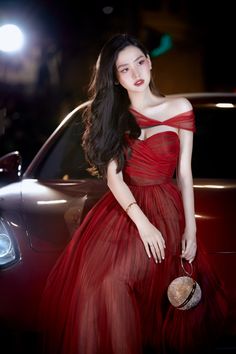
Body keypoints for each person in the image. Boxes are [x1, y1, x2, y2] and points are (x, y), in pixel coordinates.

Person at [39, 33, 228, 354]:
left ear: (150, 62)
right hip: (125, 212)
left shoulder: (179, 107)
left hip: (167, 210)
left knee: (168, 301)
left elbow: (184, 172)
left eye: (139, 62)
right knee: (104, 285)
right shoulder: (114, 116)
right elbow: (114, 178)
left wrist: (191, 229)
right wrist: (142, 223)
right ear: (115, 78)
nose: (136, 73)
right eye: (124, 69)